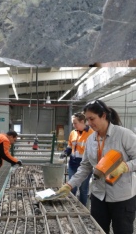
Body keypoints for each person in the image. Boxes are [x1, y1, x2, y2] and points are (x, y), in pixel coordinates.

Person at [56, 100, 136, 234]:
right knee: (98, 230)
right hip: (98, 195)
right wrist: (70, 185)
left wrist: (125, 166)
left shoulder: (123, 135)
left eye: (92, 119)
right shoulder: (91, 139)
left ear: (103, 116)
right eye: (87, 119)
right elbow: (85, 167)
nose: (89, 123)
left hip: (122, 197)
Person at [61, 112, 94, 206]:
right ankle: (71, 207)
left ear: (82, 121)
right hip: (72, 163)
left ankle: (83, 208)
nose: (73, 125)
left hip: (85, 165)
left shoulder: (92, 134)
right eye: (73, 123)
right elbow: (70, 145)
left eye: (75, 123)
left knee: (83, 189)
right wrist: (66, 152)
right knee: (72, 187)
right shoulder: (73, 133)